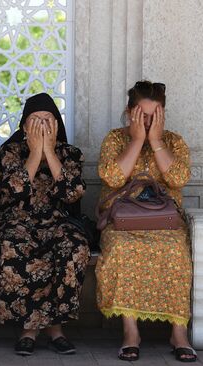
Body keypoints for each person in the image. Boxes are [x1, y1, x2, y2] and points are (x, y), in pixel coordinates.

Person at [96, 81, 196, 362]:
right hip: (123, 222)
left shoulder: (173, 141)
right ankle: (131, 333)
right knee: (122, 249)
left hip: (164, 222)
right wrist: (138, 140)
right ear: (130, 112)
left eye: (155, 115)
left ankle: (178, 332)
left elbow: (177, 179)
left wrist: (155, 141)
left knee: (177, 251)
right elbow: (113, 178)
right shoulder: (116, 139)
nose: (150, 121)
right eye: (143, 115)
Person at [0, 93, 90, 356]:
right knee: (14, 249)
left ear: (57, 125)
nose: (42, 126)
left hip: (57, 222)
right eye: (35, 121)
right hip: (16, 221)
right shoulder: (11, 152)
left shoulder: (70, 153)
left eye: (48, 120)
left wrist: (50, 153)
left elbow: (72, 193)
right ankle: (28, 330)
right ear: (23, 127)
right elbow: (14, 191)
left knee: (74, 248)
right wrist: (35, 152)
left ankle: (56, 328)